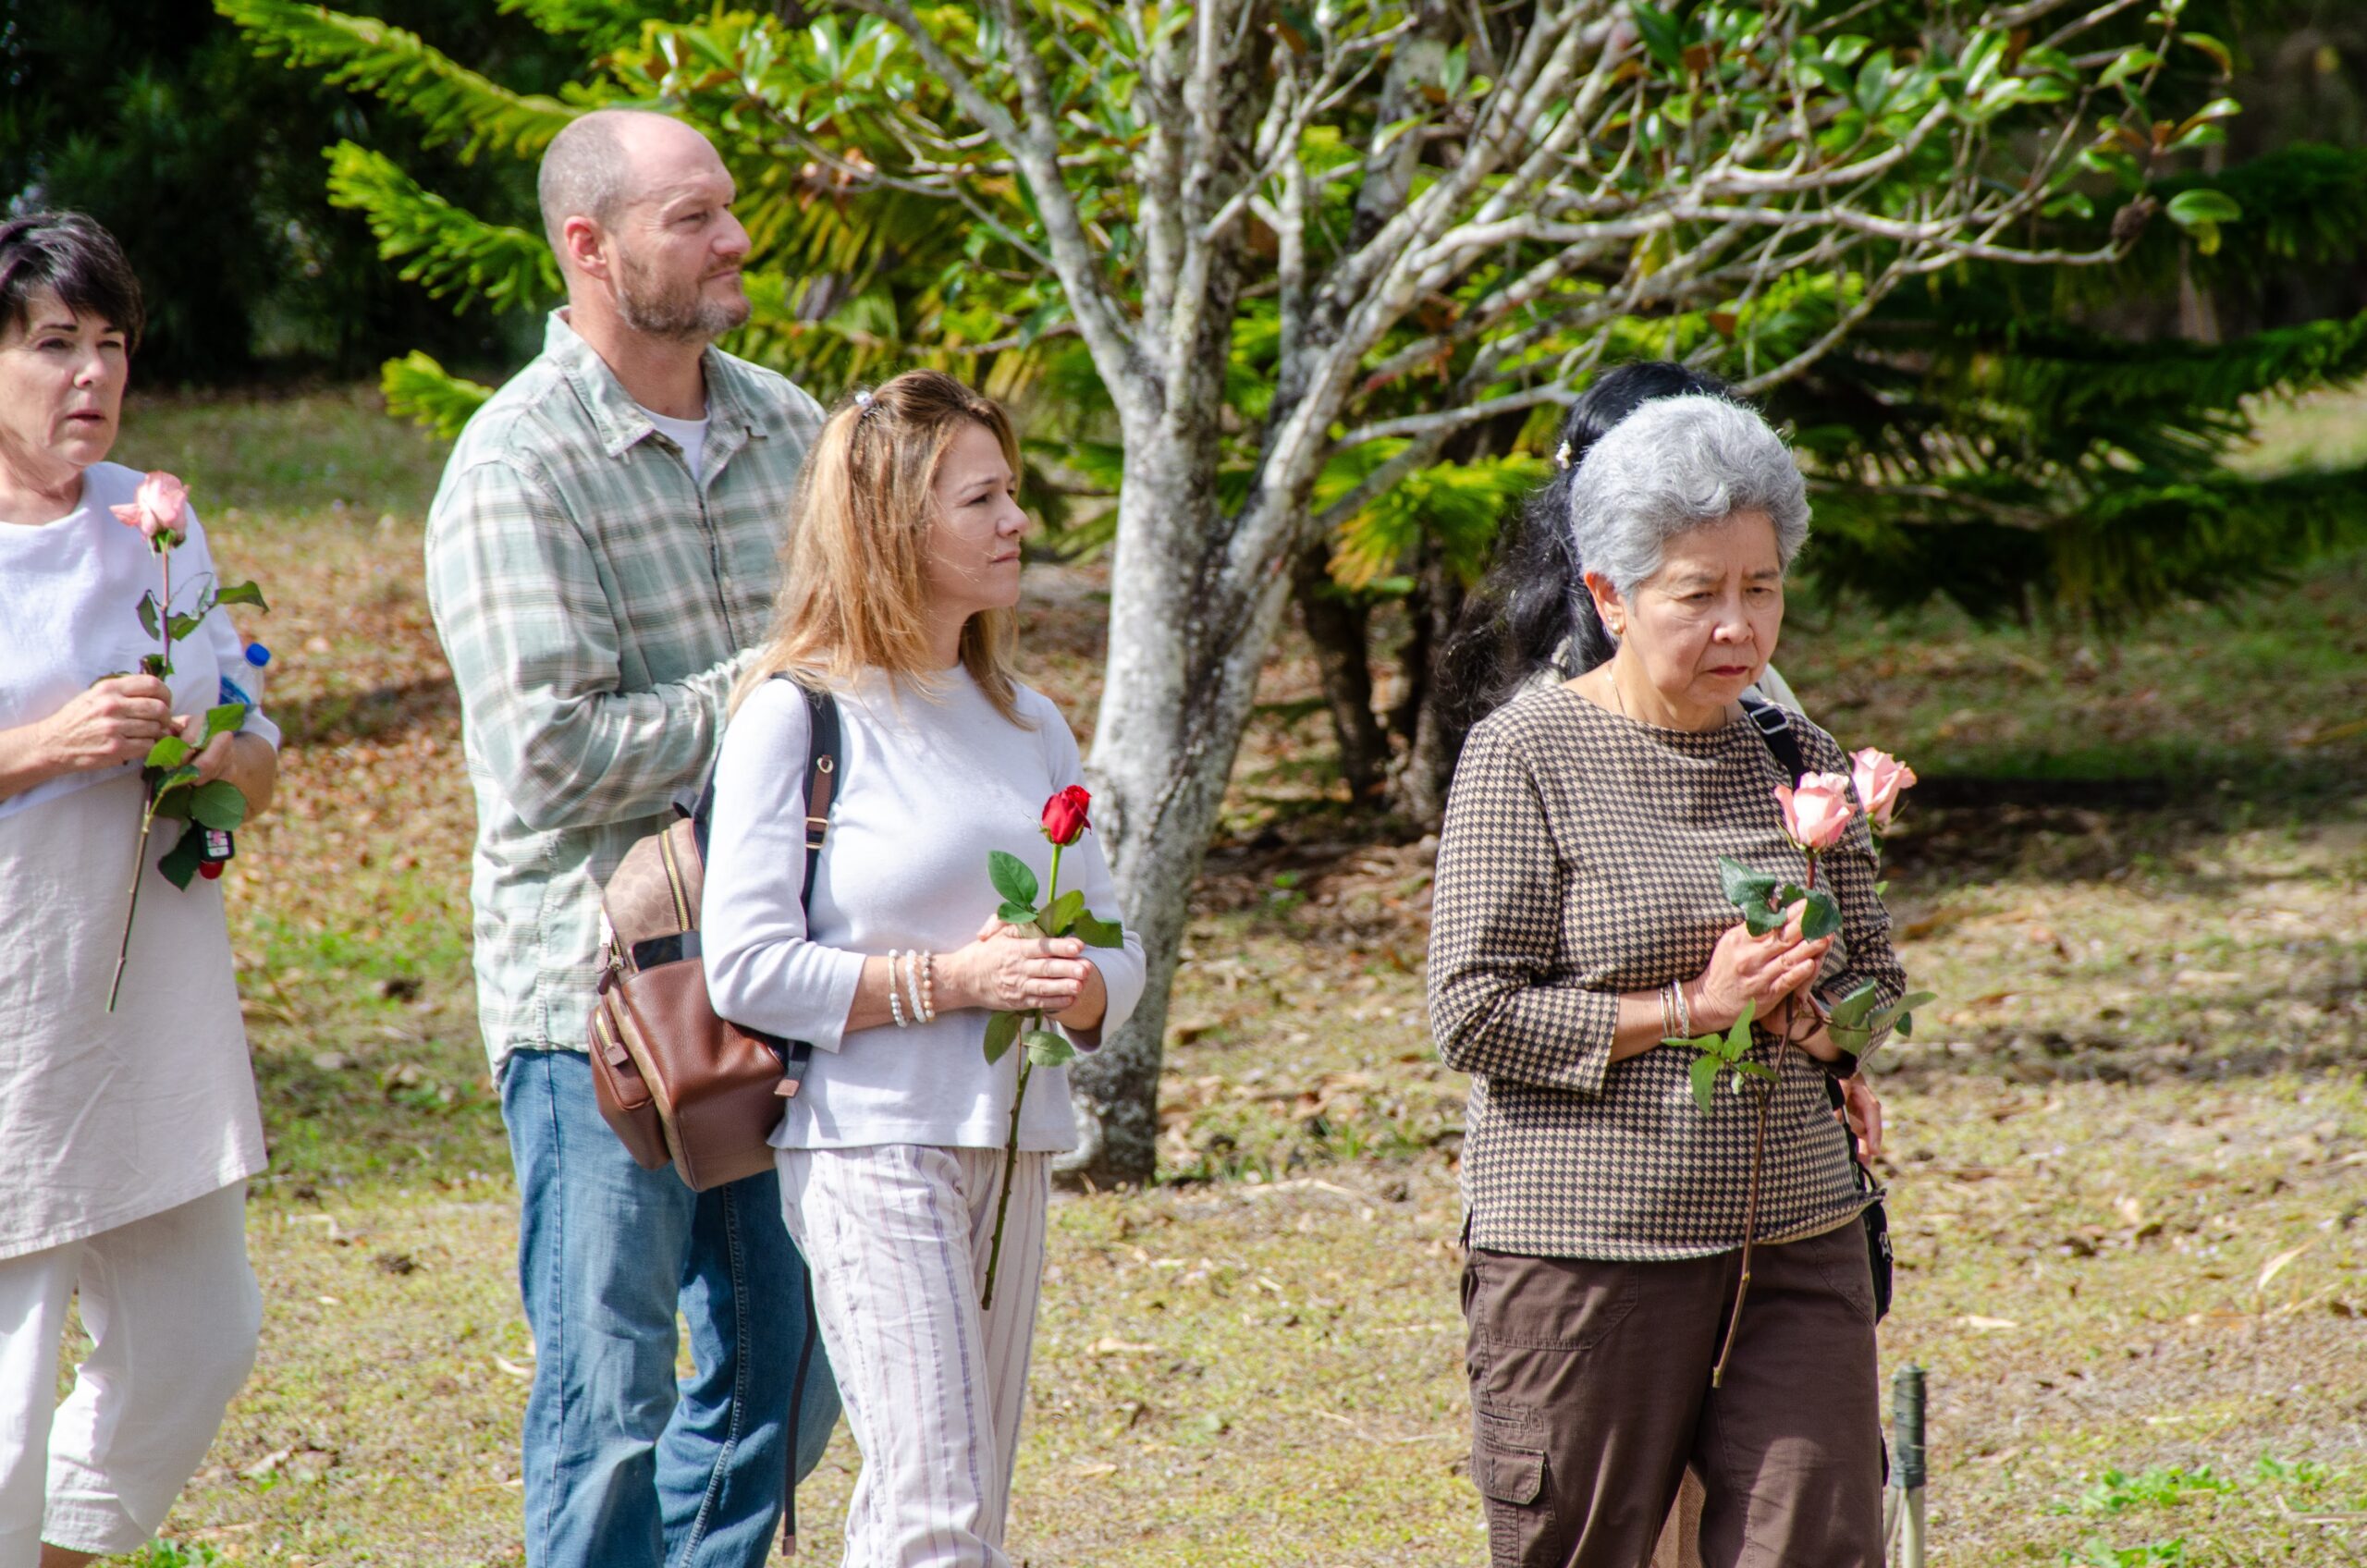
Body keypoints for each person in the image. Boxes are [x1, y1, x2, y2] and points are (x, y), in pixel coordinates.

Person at [423, 109, 839, 1568]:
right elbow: (547, 758)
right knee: (610, 1405)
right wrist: (771, 690)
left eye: (729, 208)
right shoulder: (515, 465)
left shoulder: (794, 426)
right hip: (597, 1005)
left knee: (793, 1370)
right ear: (590, 248)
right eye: (694, 217)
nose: (737, 239)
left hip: (784, 971)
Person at [1428, 394, 1907, 1567]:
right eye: (1697, 594)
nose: (1738, 626)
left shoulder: (1800, 757)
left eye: (1762, 588)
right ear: (1609, 596)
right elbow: (1472, 1011)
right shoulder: (1523, 754)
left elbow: (1881, 983)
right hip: (1588, 1255)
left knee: (1816, 1543)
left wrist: (1814, 1019)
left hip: (1797, 1240)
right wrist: (1694, 1007)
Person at [702, 369, 1147, 1568]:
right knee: (938, 1515)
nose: (1017, 521)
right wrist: (954, 982)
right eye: (981, 499)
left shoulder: (1030, 721)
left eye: (1011, 493)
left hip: (1012, 1140)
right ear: (893, 522)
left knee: (954, 1510)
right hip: (867, 1145)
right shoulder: (795, 714)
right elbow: (746, 968)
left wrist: (1079, 986)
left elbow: (1115, 944)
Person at [0, 213, 280, 1566]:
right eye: (56, 344)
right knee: (5, 1410)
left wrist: (213, 755)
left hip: (150, 1000)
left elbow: (256, 747)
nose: (92, 375)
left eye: (112, 344)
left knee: (199, 1335)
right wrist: (49, 746)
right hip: (16, 1000)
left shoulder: (152, 522)